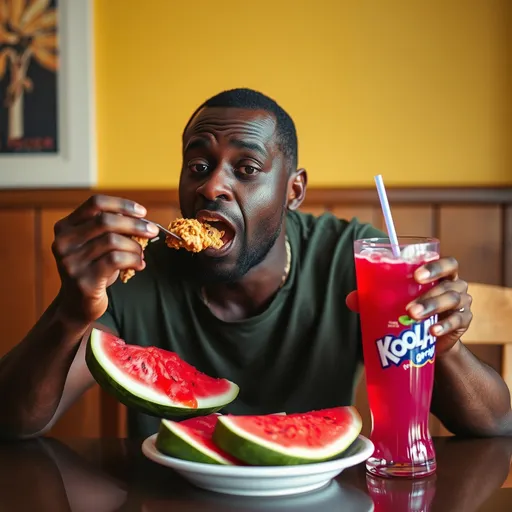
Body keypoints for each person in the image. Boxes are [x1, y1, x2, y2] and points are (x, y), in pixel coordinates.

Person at [0, 88, 510, 440]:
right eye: (198, 166)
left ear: (293, 190)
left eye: (247, 169)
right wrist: (71, 308)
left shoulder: (356, 259)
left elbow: (493, 425)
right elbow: (14, 422)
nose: (211, 186)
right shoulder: (132, 270)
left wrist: (444, 348)